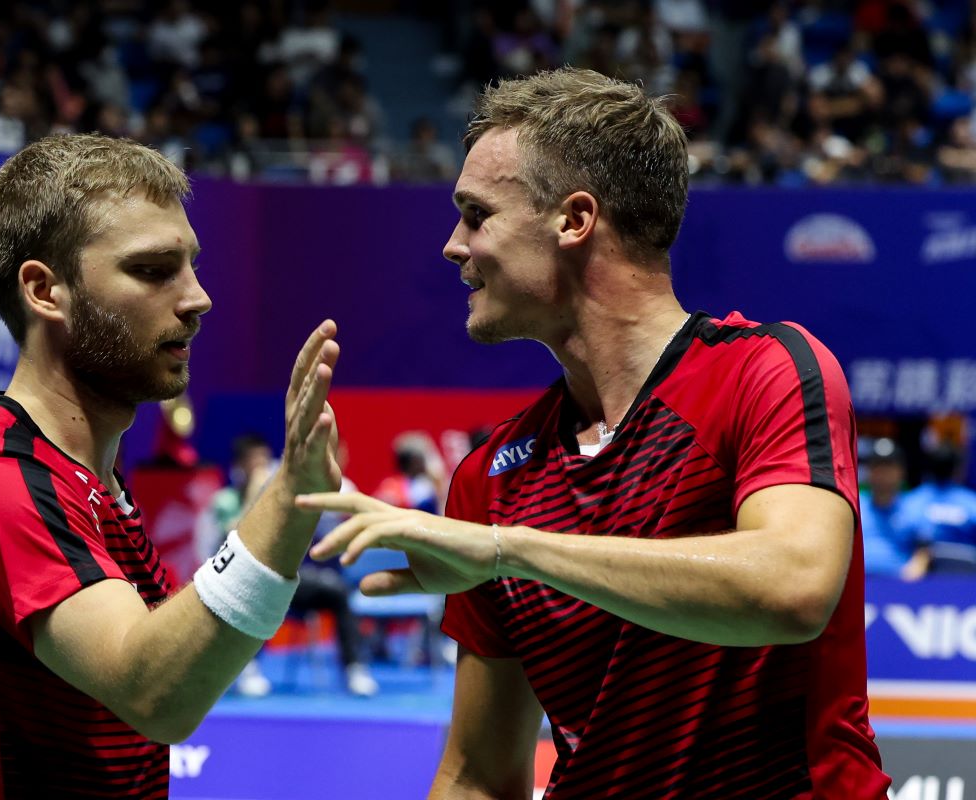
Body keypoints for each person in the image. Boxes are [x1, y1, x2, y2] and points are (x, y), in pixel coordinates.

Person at [298, 67, 889, 798]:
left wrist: (505, 552)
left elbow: (794, 587)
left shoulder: (766, 373)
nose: (454, 246)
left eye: (476, 214)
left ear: (574, 221)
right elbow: (480, 773)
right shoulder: (492, 477)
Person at [0, 133, 342, 798]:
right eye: (155, 271)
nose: (198, 298)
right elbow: (154, 693)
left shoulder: (90, 484)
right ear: (46, 290)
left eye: (191, 264)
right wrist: (289, 497)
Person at [211, 433, 379, 697]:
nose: (260, 465)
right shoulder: (228, 499)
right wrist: (256, 491)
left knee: (339, 594)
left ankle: (354, 668)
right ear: (239, 464)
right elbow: (237, 536)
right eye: (254, 460)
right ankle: (248, 668)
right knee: (260, 590)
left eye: (263, 459)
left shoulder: (334, 488)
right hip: (253, 578)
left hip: (301, 579)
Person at [899, 443, 976, 580]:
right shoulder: (971, 502)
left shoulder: (911, 502)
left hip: (919, 585)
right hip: (964, 585)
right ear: (958, 470)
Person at [858, 437, 917, 577]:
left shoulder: (914, 507)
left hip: (900, 589)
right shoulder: (854, 504)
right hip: (858, 584)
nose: (883, 474)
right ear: (869, 471)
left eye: (888, 467)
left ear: (901, 472)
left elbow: (924, 550)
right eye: (878, 467)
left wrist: (915, 572)